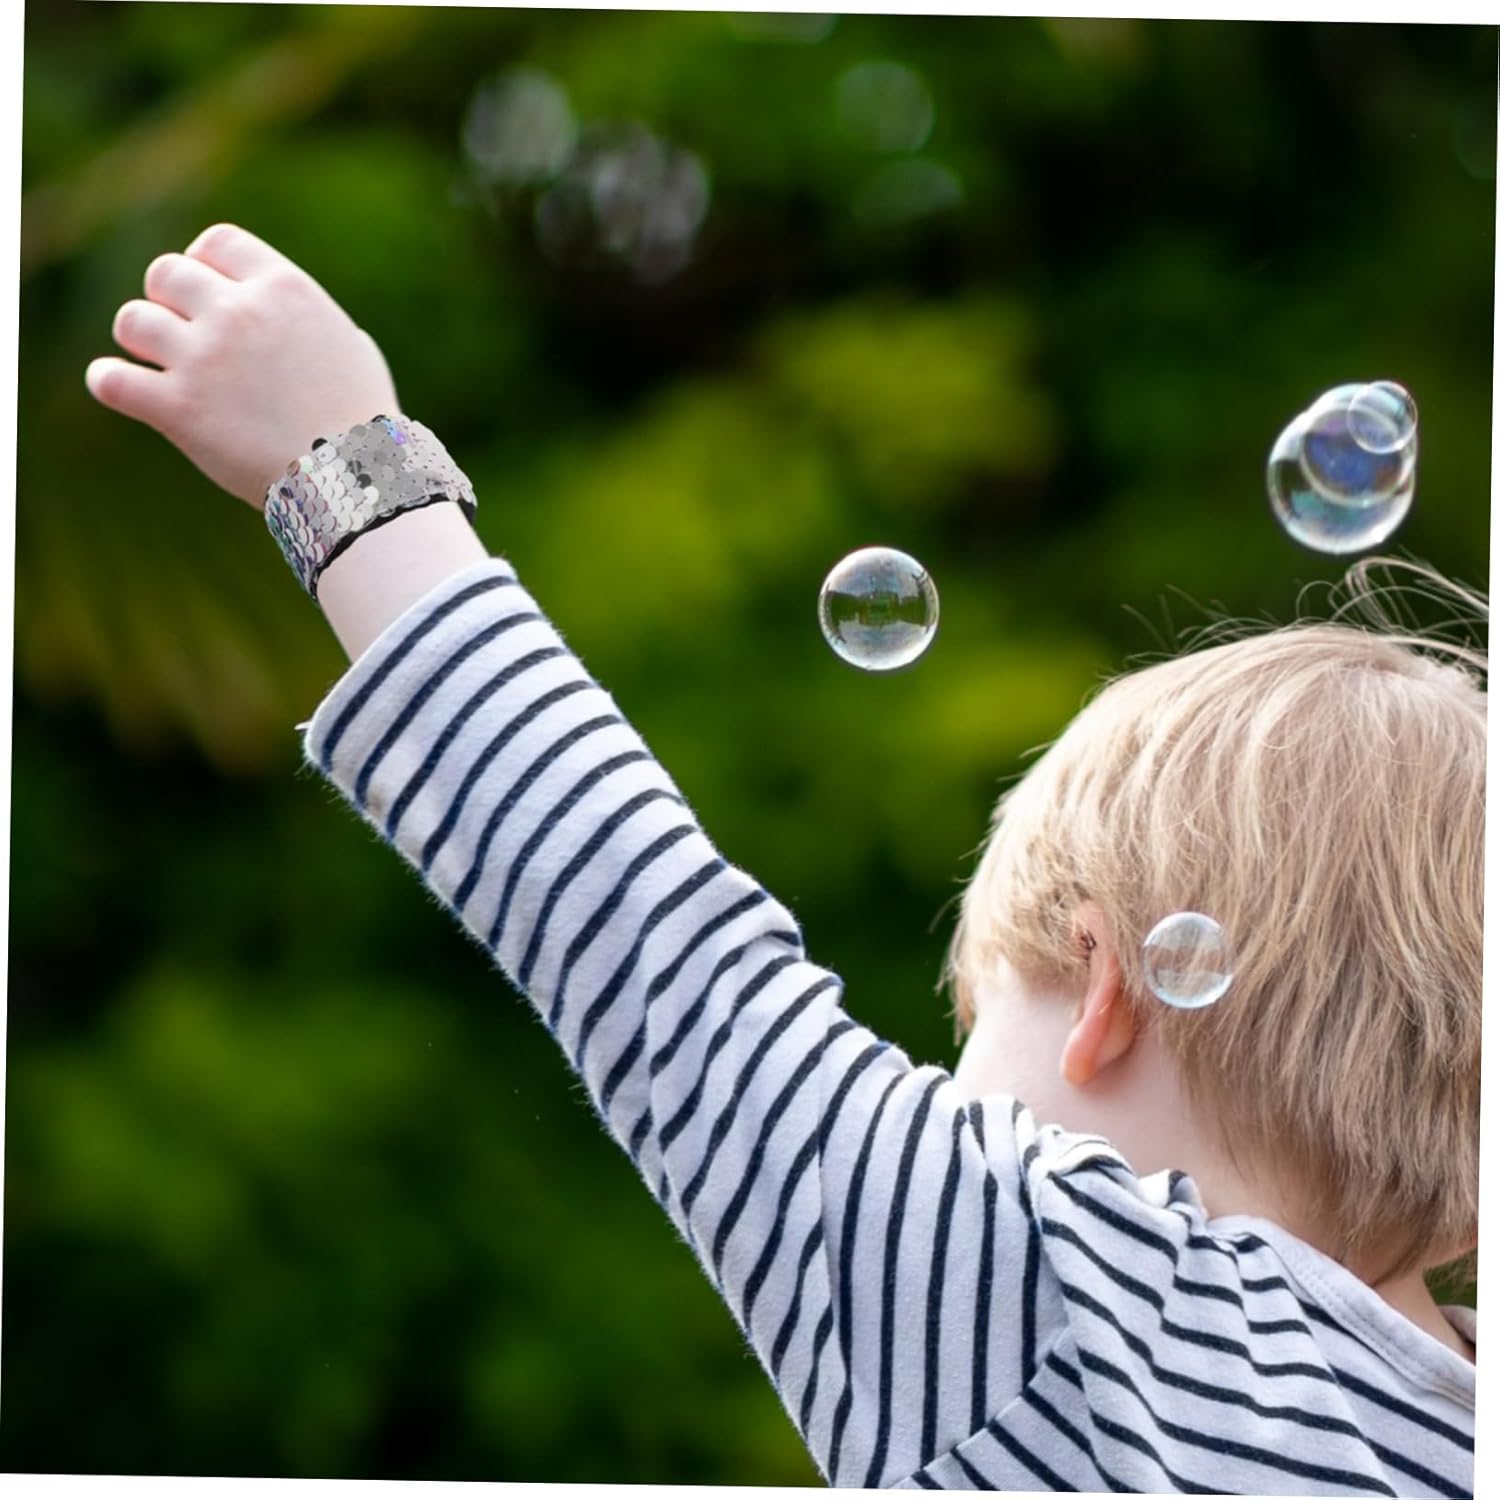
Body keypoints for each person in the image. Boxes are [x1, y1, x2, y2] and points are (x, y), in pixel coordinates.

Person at [84, 223, 1479, 1496]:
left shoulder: (1053, 1292)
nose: (934, 1101)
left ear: (1104, 990)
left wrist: (339, 462)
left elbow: (656, 946)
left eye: (972, 1034)